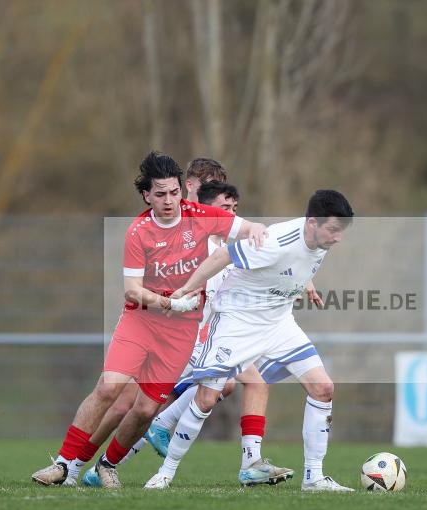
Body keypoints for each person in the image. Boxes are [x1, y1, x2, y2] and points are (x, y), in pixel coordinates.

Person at [30, 151, 267, 486]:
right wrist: (170, 302)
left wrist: (258, 232)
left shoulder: (201, 216)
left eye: (173, 193)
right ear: (146, 195)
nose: (169, 201)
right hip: (140, 322)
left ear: (182, 190)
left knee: (144, 410)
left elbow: (249, 228)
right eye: (160, 194)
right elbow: (132, 291)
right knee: (109, 389)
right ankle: (64, 464)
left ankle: (107, 465)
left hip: (181, 333)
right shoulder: (138, 232)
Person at [126, 189, 356, 493]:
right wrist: (186, 289)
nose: (338, 238)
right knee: (206, 398)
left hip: (279, 323)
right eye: (334, 230)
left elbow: (298, 263)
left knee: (323, 388)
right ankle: (165, 474)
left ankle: (314, 478)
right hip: (238, 322)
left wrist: (305, 284)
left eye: (341, 230)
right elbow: (223, 256)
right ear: (312, 223)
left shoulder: (320, 241)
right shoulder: (274, 242)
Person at [81, 181, 302, 487]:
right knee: (138, 405)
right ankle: (87, 463)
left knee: (233, 386)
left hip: (209, 335)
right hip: (183, 335)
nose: (231, 216)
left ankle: (245, 460)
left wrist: (298, 277)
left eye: (234, 209)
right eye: (224, 209)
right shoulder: (199, 248)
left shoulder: (228, 249)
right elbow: (167, 291)